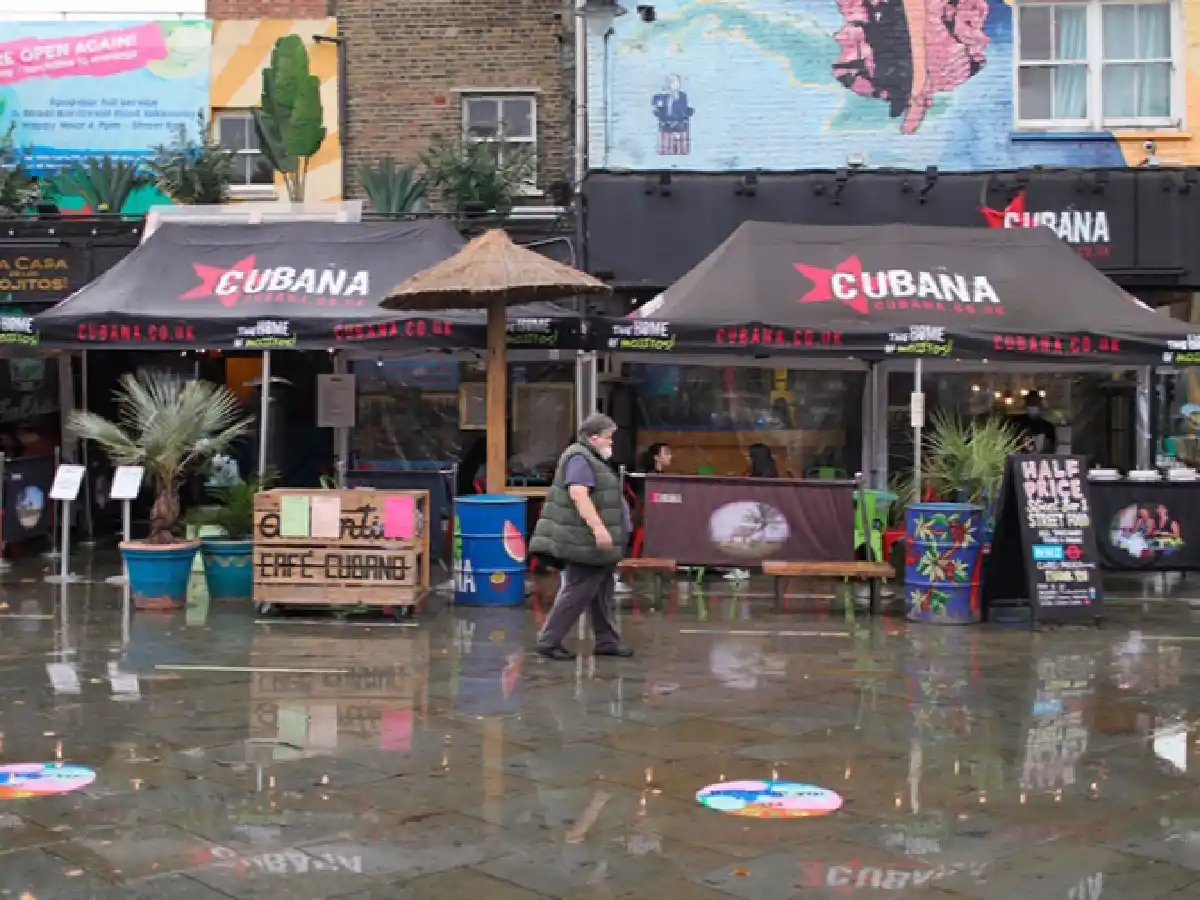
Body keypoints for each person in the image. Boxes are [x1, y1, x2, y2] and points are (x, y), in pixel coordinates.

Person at [530, 413, 633, 661]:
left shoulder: (590, 457)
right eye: (609, 438)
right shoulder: (579, 457)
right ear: (594, 437)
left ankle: (607, 640)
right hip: (583, 540)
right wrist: (598, 528)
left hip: (590, 540)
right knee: (578, 590)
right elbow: (578, 493)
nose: (611, 443)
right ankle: (549, 641)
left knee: (602, 588)